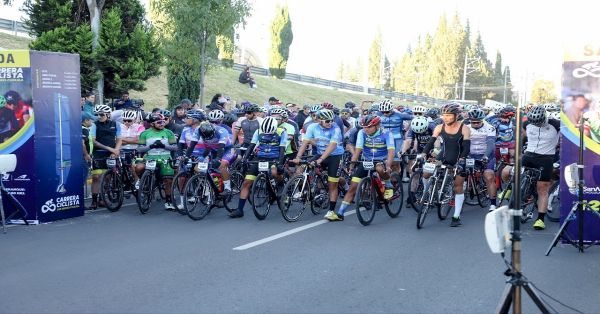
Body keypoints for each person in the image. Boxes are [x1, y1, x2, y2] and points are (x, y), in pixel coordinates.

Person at [503, 105, 560, 230]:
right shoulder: (527, 124)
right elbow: (523, 137)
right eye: (534, 123)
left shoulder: (555, 124)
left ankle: (540, 219)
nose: (537, 125)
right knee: (508, 171)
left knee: (542, 189)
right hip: (529, 155)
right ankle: (510, 189)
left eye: (539, 122)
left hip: (546, 158)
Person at [330, 115, 395, 221]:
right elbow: (358, 149)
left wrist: (388, 165)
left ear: (377, 126)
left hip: (381, 159)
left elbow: (391, 151)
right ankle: (340, 213)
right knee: (353, 186)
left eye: (369, 127)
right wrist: (352, 165)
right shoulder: (362, 133)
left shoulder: (386, 133)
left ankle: (388, 184)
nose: (366, 129)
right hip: (367, 160)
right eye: (364, 127)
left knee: (379, 169)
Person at [420, 103, 471, 227]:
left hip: (459, 158)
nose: (446, 118)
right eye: (444, 115)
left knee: (457, 187)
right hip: (442, 156)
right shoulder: (439, 127)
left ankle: (456, 216)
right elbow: (431, 142)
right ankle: (429, 192)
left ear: (456, 115)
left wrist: (462, 159)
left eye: (449, 115)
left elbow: (466, 147)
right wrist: (423, 154)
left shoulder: (464, 128)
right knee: (426, 173)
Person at [229, 117, 287, 218]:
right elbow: (251, 146)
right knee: (247, 182)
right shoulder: (258, 131)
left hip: (275, 157)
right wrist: (244, 159)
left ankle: (280, 184)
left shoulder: (282, 132)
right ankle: (239, 209)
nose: (267, 135)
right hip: (260, 158)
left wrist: (280, 164)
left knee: (274, 172)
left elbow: (282, 149)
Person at [293, 109, 344, 220]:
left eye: (331, 120)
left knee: (332, 183)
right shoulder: (312, 127)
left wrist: (320, 160)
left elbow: (332, 146)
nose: (330, 122)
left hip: (335, 155)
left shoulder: (335, 128)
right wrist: (298, 157)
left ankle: (331, 211)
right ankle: (307, 190)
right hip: (321, 153)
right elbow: (305, 142)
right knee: (303, 167)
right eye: (327, 121)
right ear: (319, 120)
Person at [135, 113, 178, 210]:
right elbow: (139, 149)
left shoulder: (169, 133)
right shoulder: (145, 133)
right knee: (138, 167)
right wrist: (151, 146)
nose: (162, 124)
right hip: (150, 158)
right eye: (159, 122)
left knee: (168, 180)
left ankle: (169, 201)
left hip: (165, 158)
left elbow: (175, 147)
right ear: (152, 124)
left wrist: (164, 146)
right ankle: (143, 182)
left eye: (163, 122)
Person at [185, 121, 236, 194]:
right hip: (212, 150)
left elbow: (221, 147)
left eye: (210, 136)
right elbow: (192, 145)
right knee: (199, 168)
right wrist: (186, 157)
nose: (208, 138)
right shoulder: (198, 130)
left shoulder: (222, 131)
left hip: (226, 149)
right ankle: (211, 186)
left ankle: (228, 188)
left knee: (222, 165)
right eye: (206, 137)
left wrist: (218, 159)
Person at [88, 105, 122, 210]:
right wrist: (109, 149)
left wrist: (116, 150)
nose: (99, 116)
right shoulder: (94, 125)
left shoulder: (116, 124)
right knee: (96, 177)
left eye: (101, 114)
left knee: (107, 176)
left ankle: (102, 198)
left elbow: (119, 139)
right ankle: (94, 201)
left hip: (111, 153)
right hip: (99, 153)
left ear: (107, 114)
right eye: (97, 114)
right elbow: (93, 141)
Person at [465, 108, 497, 211]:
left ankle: (493, 204)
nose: (475, 124)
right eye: (473, 122)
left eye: (478, 122)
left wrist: (486, 156)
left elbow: (491, 143)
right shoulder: (466, 128)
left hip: (486, 155)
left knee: (489, 176)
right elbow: (463, 143)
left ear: (482, 120)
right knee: (462, 174)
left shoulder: (490, 128)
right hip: (472, 154)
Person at [402, 116, 435, 207]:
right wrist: (403, 151)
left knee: (430, 172)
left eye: (422, 131)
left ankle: (432, 192)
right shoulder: (413, 128)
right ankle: (411, 195)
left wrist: (435, 151)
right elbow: (408, 141)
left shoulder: (432, 126)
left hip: (433, 150)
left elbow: (437, 141)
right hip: (421, 151)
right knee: (414, 171)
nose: (420, 133)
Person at [378, 99, 413, 172]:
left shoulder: (399, 115)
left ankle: (396, 177)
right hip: (384, 138)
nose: (385, 113)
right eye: (382, 112)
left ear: (391, 109)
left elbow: (414, 118)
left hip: (397, 139)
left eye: (387, 112)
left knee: (396, 160)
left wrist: (407, 128)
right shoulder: (378, 115)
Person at [120, 110, 145, 176]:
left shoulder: (140, 127)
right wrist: (132, 140)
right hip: (122, 150)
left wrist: (123, 139)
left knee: (134, 167)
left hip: (135, 151)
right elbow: (116, 140)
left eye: (129, 121)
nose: (126, 122)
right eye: (124, 120)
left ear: (134, 119)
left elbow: (138, 141)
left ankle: (137, 182)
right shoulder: (119, 127)